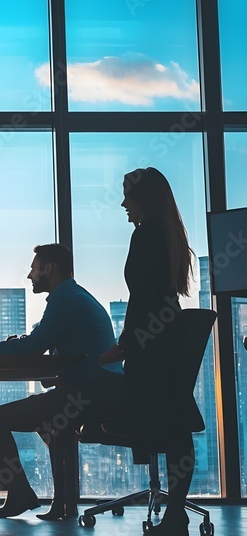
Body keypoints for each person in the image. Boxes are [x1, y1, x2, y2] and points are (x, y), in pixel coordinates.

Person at [0, 244, 123, 520]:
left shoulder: (65, 300)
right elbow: (40, 338)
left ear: (48, 268)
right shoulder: (74, 296)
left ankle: (20, 495)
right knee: (52, 423)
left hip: (89, 392)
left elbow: (33, 346)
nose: (29, 275)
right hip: (101, 390)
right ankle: (63, 503)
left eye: (33, 267)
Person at [99, 167, 200, 536]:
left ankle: (175, 517)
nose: (124, 203)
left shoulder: (147, 235)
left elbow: (142, 298)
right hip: (166, 341)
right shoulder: (169, 233)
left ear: (143, 198)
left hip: (152, 347)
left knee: (166, 425)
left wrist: (124, 346)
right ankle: (176, 513)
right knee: (175, 429)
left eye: (128, 195)